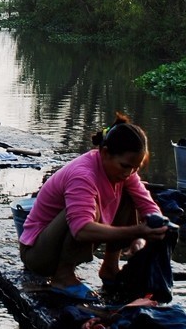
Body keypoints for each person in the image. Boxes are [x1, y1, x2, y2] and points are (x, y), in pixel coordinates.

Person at [18, 114, 168, 301]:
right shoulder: (83, 175)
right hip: (39, 255)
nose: (129, 172)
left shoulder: (125, 173)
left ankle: (110, 267)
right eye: (125, 166)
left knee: (130, 196)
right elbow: (81, 230)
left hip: (63, 241)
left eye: (135, 168)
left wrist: (154, 227)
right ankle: (63, 277)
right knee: (84, 213)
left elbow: (146, 203)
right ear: (105, 153)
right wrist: (136, 232)